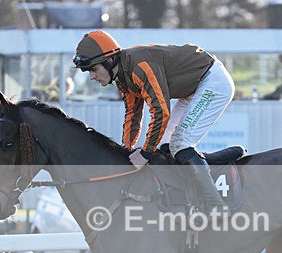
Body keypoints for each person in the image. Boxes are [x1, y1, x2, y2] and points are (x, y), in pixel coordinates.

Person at [72, 30, 234, 209]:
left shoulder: (140, 66)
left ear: (110, 61)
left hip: (213, 82)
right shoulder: (122, 78)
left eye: (94, 69)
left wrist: (145, 153)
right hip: (192, 90)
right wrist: (126, 151)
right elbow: (132, 116)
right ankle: (184, 200)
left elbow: (161, 111)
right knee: (165, 147)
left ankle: (216, 205)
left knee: (180, 144)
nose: (92, 77)